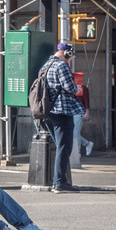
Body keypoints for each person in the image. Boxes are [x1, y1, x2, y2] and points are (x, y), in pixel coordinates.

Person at [41, 43, 81, 193]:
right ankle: (59, 182)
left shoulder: (46, 65)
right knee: (65, 147)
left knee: (60, 147)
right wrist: (78, 89)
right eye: (71, 58)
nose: (70, 60)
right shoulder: (61, 66)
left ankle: (58, 181)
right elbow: (69, 87)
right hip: (61, 110)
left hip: (48, 111)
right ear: (67, 53)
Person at [73, 74, 94, 157]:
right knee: (74, 133)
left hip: (79, 113)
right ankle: (87, 143)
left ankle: (77, 152)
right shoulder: (73, 88)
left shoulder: (83, 89)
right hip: (73, 112)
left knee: (75, 132)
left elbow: (86, 101)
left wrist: (87, 112)